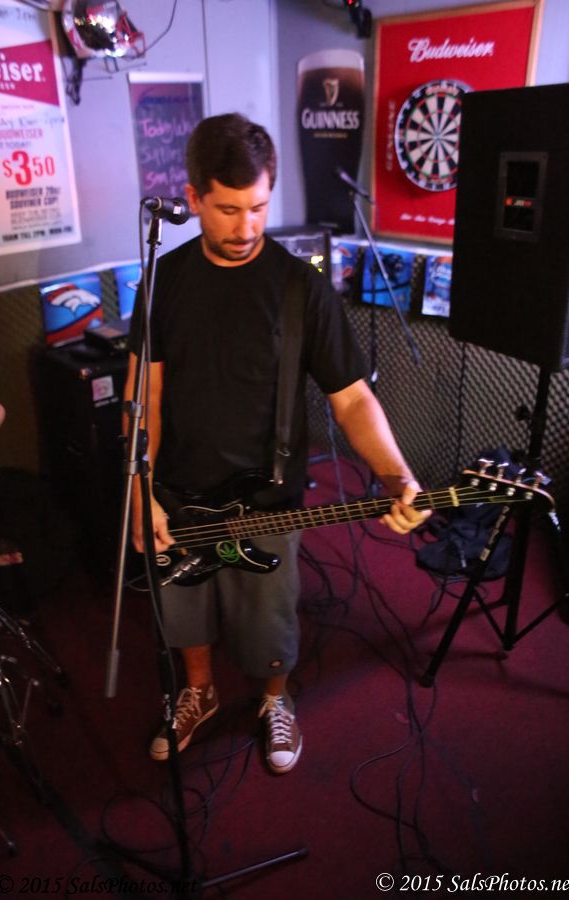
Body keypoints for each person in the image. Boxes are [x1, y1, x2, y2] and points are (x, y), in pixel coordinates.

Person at [125, 113, 430, 774]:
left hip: (268, 496)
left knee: (270, 619)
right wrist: (140, 489)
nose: (246, 227)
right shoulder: (163, 279)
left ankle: (273, 698)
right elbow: (144, 392)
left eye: (259, 207)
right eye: (228, 209)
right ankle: (199, 692)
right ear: (194, 196)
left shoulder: (300, 288)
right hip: (177, 486)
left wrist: (396, 474)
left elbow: (352, 398)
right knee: (185, 607)